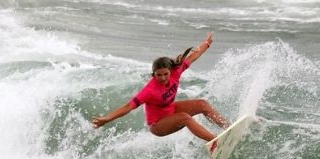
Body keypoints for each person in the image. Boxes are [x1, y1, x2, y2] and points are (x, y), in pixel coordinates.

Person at [92, 32, 230, 142]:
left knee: (202, 104)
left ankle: (229, 128)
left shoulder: (176, 72)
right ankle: (215, 142)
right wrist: (108, 118)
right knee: (185, 117)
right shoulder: (150, 91)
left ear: (170, 71)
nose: (163, 78)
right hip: (158, 125)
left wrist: (207, 43)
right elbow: (128, 106)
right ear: (154, 74)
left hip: (171, 110)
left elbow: (193, 57)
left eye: (165, 74)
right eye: (159, 75)